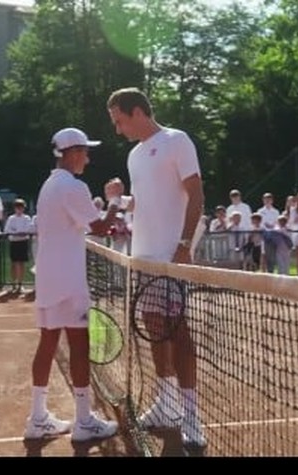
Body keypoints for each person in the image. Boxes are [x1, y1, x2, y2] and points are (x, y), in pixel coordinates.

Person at [107, 87, 207, 447]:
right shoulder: (134, 156)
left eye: (119, 120)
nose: (118, 129)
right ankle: (166, 405)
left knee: (178, 333)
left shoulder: (176, 140)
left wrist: (183, 245)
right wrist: (120, 200)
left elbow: (196, 193)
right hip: (143, 258)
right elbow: (147, 201)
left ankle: (192, 416)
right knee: (153, 330)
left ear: (137, 112)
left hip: (170, 257)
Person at [24, 126, 120, 442]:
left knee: (48, 342)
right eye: (85, 152)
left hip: (50, 278)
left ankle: (37, 418)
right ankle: (84, 422)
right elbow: (102, 227)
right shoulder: (73, 186)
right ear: (72, 153)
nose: (88, 159)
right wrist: (115, 201)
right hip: (68, 281)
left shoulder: (49, 185)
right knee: (80, 346)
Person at [4, 198, 33, 292]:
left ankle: (20, 284)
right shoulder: (11, 218)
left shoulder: (27, 218)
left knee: (21, 263)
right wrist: (16, 232)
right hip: (14, 242)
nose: (19, 209)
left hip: (23, 242)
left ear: (23, 208)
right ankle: (14, 283)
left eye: (21, 207)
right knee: (14, 263)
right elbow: (7, 230)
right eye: (17, 207)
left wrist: (22, 233)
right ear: (15, 208)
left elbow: (28, 229)